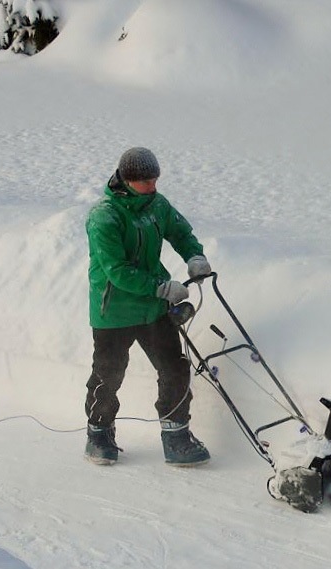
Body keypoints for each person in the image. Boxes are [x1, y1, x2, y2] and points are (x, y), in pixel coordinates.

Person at [84, 147, 213, 466]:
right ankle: (98, 433)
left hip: (153, 309)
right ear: (128, 180)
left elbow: (180, 231)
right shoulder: (104, 215)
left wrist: (194, 256)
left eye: (155, 180)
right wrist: (161, 287)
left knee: (174, 367)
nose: (153, 186)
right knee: (108, 374)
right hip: (114, 310)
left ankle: (176, 436)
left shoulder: (157, 204)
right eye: (146, 182)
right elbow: (117, 270)